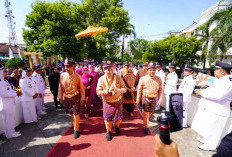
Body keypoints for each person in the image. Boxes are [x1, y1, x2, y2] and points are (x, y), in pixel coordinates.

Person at [194, 61, 232, 151]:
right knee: (210, 126)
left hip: (219, 109)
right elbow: (212, 91)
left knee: (215, 128)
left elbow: (219, 95)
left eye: (216, 69)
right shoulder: (222, 80)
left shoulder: (228, 81)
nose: (214, 71)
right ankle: (207, 140)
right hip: (214, 108)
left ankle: (211, 145)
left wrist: (202, 92)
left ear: (222, 71)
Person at [96, 59, 127, 141]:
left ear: (113, 69)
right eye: (107, 69)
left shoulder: (118, 77)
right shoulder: (101, 79)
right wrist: (106, 91)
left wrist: (118, 90)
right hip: (108, 102)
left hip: (118, 101)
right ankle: (108, 132)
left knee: (119, 118)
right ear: (103, 70)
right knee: (108, 120)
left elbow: (125, 89)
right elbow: (98, 92)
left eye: (111, 69)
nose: (109, 71)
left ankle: (116, 126)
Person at [58, 58, 85, 139]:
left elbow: (81, 88)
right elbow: (60, 87)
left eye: (69, 67)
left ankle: (76, 129)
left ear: (73, 67)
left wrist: (82, 98)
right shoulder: (62, 75)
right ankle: (75, 125)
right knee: (72, 114)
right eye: (66, 67)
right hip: (67, 97)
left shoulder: (77, 76)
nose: (67, 69)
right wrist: (60, 98)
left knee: (76, 113)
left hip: (75, 97)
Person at [136, 61, 162, 135]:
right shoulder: (143, 78)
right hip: (145, 98)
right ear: (147, 70)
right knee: (146, 113)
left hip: (153, 98)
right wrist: (138, 99)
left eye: (153, 70)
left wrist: (160, 99)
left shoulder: (158, 79)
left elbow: (160, 90)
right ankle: (146, 126)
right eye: (150, 70)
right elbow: (139, 90)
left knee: (150, 112)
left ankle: (145, 120)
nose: (152, 71)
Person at [0, 64, 22, 139]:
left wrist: (15, 92)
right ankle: (10, 134)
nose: (6, 72)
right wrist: (16, 93)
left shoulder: (4, 80)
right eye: (4, 71)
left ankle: (12, 132)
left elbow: (9, 91)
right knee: (8, 120)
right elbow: (4, 94)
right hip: (5, 104)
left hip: (9, 103)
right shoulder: (0, 82)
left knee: (11, 119)